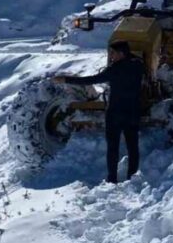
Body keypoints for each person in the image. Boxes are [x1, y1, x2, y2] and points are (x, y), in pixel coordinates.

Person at [53, 41, 145, 183]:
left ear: (121, 54)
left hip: (115, 113)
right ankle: (132, 177)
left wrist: (65, 79)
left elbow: (91, 80)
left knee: (112, 148)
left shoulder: (114, 70)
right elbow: (133, 59)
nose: (111, 56)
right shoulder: (138, 66)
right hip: (132, 112)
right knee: (133, 146)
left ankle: (112, 178)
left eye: (113, 53)